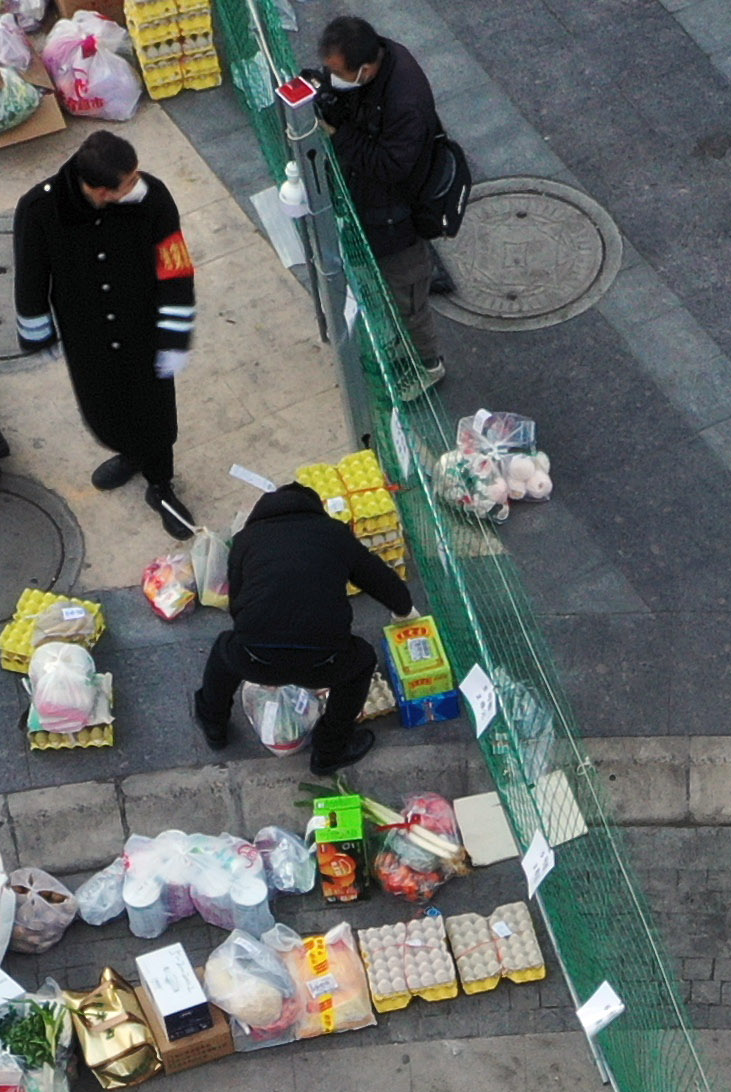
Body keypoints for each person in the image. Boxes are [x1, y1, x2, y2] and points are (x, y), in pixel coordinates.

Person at [12, 130, 199, 541]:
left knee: (154, 412)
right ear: (101, 191)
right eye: (128, 182)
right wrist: (38, 331)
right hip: (88, 335)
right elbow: (30, 274)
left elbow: (175, 265)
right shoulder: (40, 208)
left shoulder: (153, 198)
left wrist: (174, 332)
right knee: (102, 407)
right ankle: (130, 453)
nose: (138, 184)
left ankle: (160, 484)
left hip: (142, 329)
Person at [194, 479, 410, 775]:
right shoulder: (334, 534)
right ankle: (329, 752)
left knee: (224, 651)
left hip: (256, 657)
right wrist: (403, 608)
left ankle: (213, 725)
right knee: (362, 660)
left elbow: (237, 603)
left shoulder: (246, 539)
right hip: (325, 661)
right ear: (315, 508)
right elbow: (380, 580)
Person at [313, 17, 451, 388]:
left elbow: (391, 166)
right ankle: (395, 341)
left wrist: (338, 134)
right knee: (383, 287)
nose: (332, 79)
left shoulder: (405, 101)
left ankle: (428, 365)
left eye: (338, 74)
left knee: (408, 298)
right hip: (368, 203)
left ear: (366, 69)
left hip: (397, 218)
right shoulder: (374, 57)